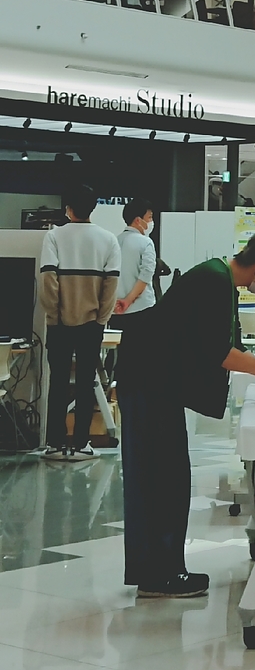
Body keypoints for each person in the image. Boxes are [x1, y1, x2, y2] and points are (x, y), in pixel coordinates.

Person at [115, 231, 255, 598]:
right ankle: (158, 574)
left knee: (166, 477)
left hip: (156, 383)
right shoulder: (214, 280)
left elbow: (229, 342)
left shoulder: (220, 280)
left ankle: (161, 568)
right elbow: (220, 351)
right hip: (149, 382)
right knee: (159, 479)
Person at [39, 184, 121, 462]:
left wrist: (54, 314)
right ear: (93, 208)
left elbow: (48, 280)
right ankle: (82, 444)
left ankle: (54, 443)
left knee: (58, 382)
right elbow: (111, 285)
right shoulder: (108, 239)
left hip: (59, 323)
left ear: (68, 209)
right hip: (92, 324)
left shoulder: (54, 236)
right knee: (87, 383)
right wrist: (101, 319)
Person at [113, 198, 157, 322]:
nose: (151, 222)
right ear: (138, 220)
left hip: (115, 309)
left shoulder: (114, 241)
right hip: (141, 308)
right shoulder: (146, 242)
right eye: (149, 217)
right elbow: (146, 275)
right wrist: (128, 301)